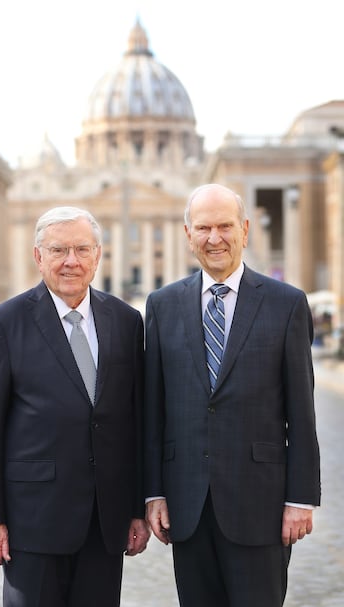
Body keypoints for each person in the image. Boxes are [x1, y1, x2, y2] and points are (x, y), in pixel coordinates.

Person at [144, 184, 320, 607]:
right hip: (187, 506)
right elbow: (153, 409)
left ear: (244, 230)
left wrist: (300, 499)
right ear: (188, 235)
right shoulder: (162, 305)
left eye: (224, 226)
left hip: (261, 503)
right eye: (203, 227)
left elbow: (302, 409)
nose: (214, 238)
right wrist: (153, 492)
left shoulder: (287, 304)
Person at [0, 207, 150, 607]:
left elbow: (135, 424)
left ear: (98, 255)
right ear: (39, 257)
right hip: (31, 521)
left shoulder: (126, 321)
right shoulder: (5, 322)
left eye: (82, 249)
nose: (72, 261)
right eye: (59, 250)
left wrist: (137, 509)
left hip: (105, 521)